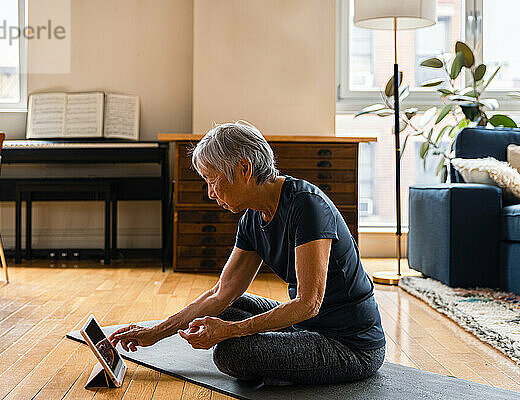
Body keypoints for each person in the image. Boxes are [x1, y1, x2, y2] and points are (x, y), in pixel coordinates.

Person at [110, 122, 386, 385]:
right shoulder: (252, 218)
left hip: (348, 345)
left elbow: (307, 304)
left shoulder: (308, 207)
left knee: (232, 355)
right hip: (303, 327)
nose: (210, 193)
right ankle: (283, 365)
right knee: (227, 306)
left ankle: (287, 367)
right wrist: (156, 332)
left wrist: (229, 331)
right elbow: (221, 292)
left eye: (213, 181)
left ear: (244, 168)